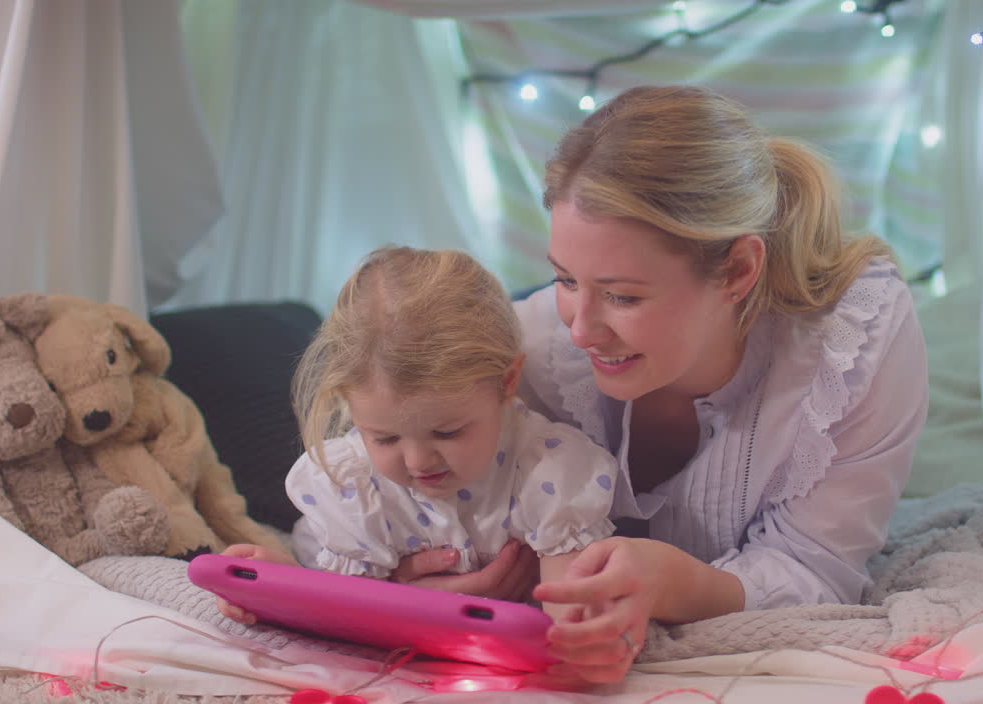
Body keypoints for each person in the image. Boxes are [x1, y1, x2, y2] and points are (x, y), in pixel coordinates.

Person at [392, 85, 929, 684]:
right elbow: (384, 469)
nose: (583, 330)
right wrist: (408, 577)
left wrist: (674, 582)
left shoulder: (851, 344)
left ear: (738, 271)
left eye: (623, 295)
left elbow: (818, 566)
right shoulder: (534, 350)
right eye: (565, 279)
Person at [215, 246, 618, 625]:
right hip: (333, 560)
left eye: (447, 432)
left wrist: (571, 633)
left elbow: (571, 617)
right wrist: (283, 583)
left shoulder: (548, 470)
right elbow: (345, 608)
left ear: (507, 382)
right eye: (385, 439)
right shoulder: (353, 486)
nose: (418, 462)